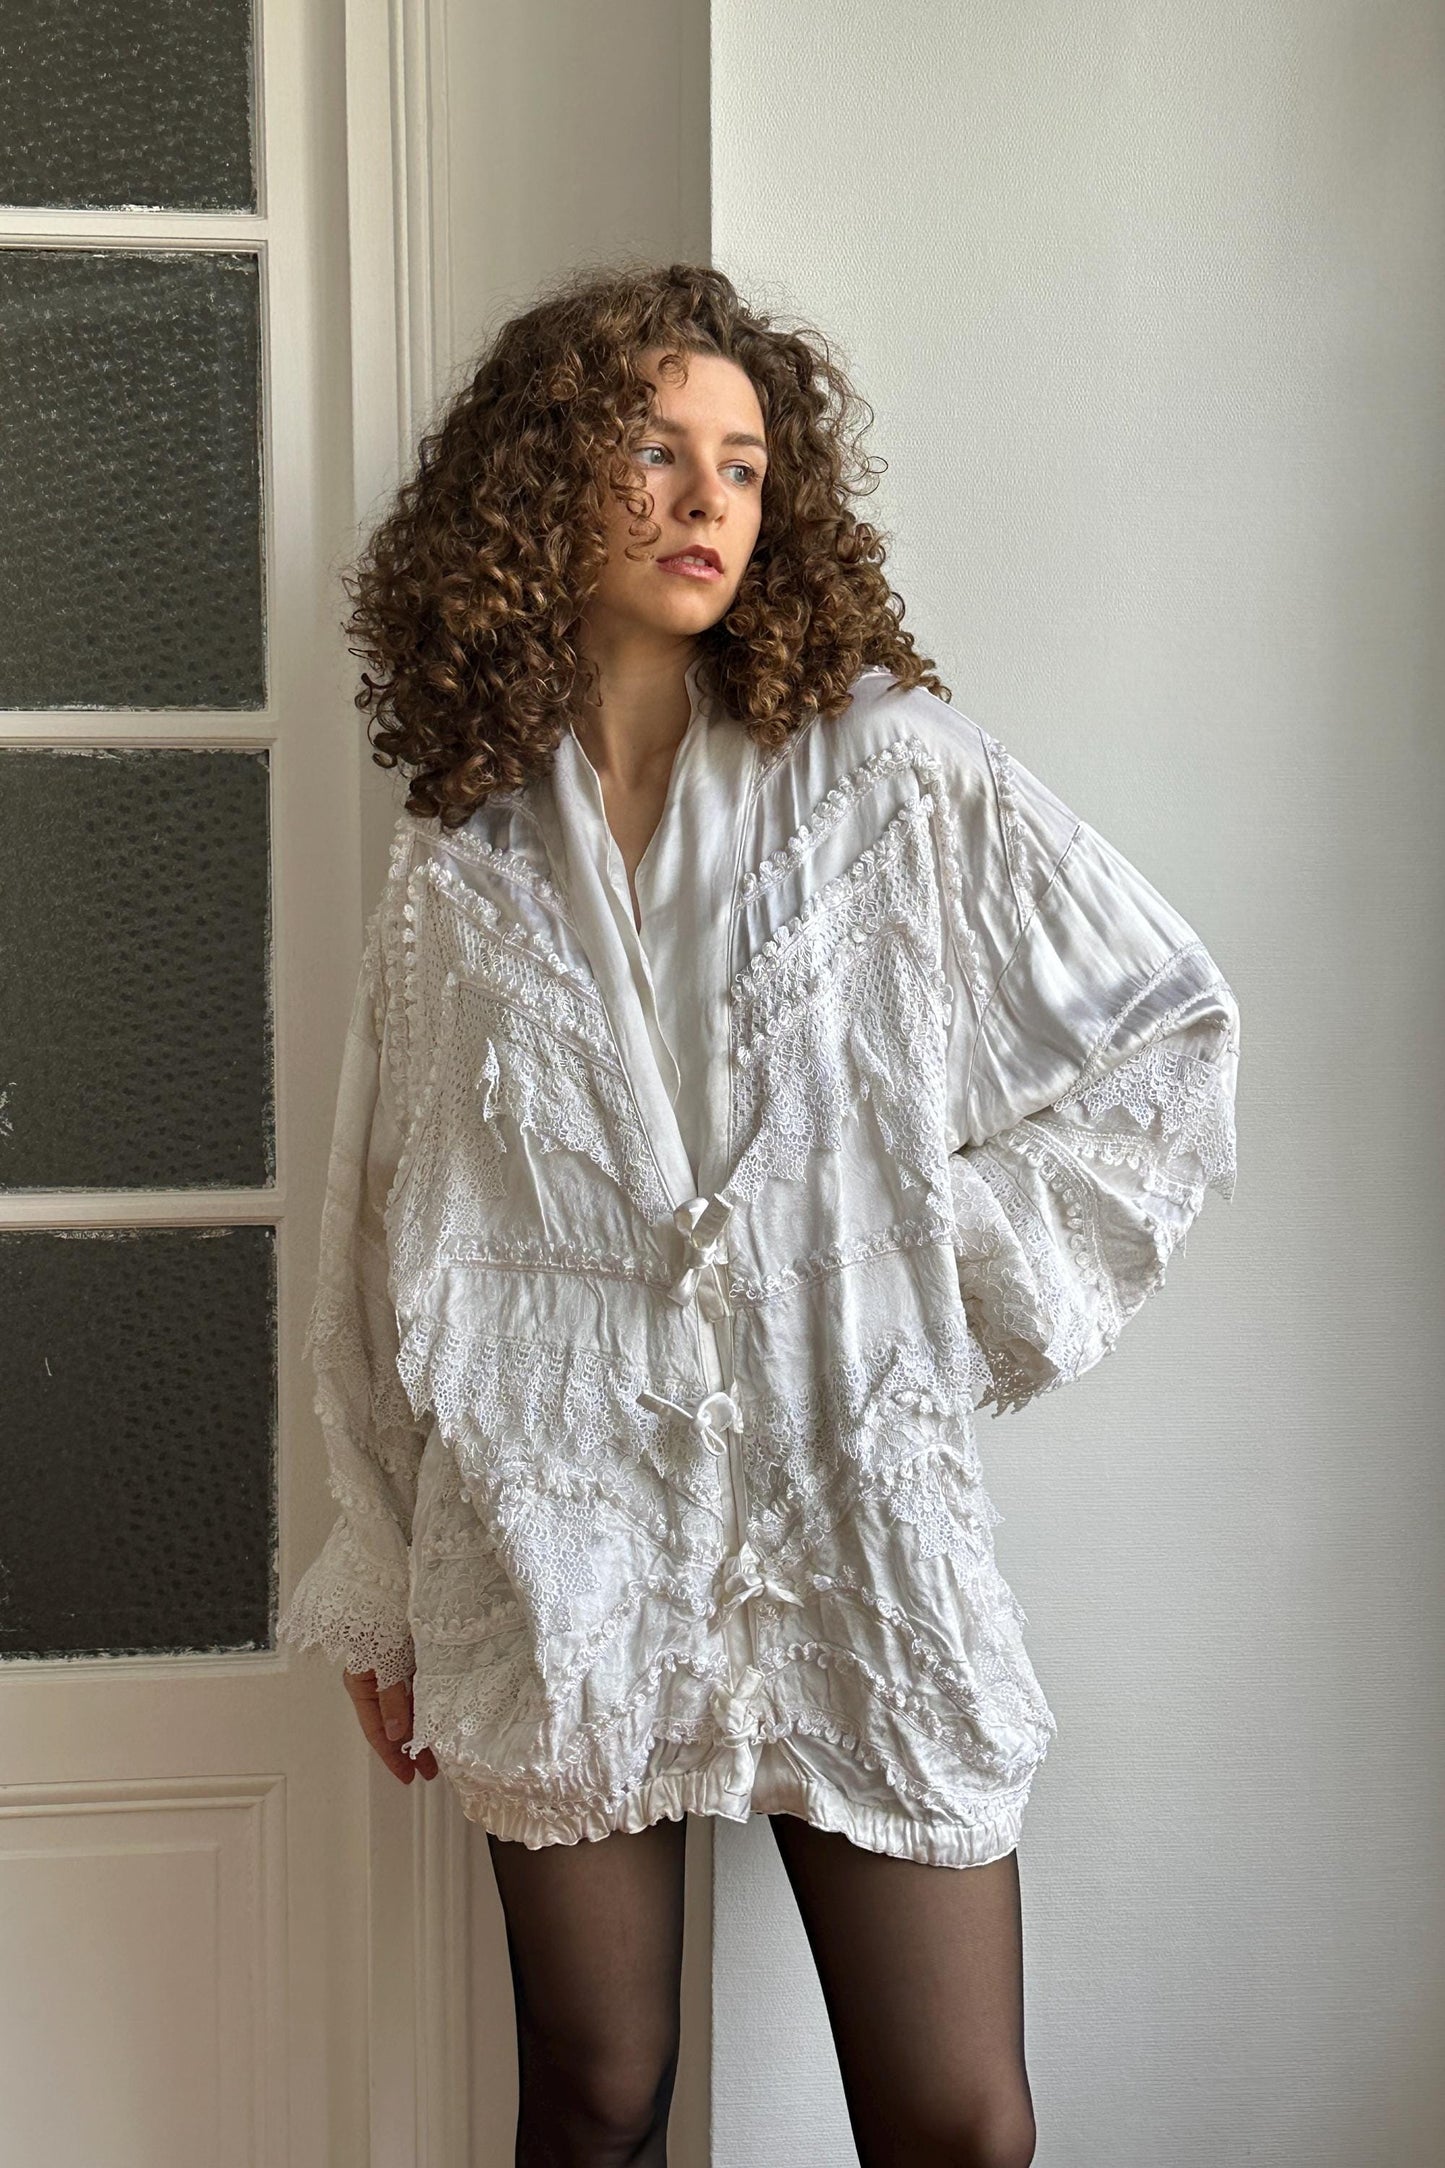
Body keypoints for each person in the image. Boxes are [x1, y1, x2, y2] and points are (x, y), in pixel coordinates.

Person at [279, 261, 1241, 2167]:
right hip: (555, 1542)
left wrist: (925, 1278)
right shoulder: (458, 849)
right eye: (654, 450)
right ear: (545, 484)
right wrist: (388, 1575)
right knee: (594, 2092)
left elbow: (1168, 1038)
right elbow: (391, 1236)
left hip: (848, 1521)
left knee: (960, 2125)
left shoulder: (888, 774)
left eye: (743, 461)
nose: (712, 497)